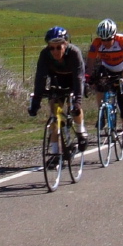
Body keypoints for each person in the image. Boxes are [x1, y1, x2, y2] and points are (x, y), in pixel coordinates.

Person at [29, 26, 87, 166]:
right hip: (57, 80)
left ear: (65, 45)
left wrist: (77, 102)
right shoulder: (44, 55)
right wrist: (36, 102)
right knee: (55, 116)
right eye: (51, 48)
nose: (55, 51)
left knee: (75, 108)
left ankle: (80, 131)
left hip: (74, 80)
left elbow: (79, 78)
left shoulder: (74, 53)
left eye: (58, 47)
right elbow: (40, 78)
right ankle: (56, 154)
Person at [86, 18, 123, 149]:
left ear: (114, 36)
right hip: (107, 68)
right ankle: (102, 114)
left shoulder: (122, 41)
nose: (106, 42)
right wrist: (88, 78)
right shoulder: (96, 43)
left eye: (108, 39)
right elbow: (90, 63)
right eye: (103, 40)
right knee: (99, 86)